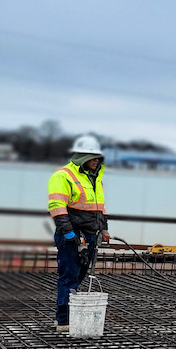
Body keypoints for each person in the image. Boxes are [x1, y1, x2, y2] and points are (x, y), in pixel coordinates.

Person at [47, 135, 110, 334]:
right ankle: (64, 321)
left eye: (98, 157)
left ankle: (67, 317)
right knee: (69, 278)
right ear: (82, 156)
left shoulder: (94, 178)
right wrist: (68, 234)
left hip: (90, 235)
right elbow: (57, 206)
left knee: (79, 276)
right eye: (93, 157)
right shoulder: (63, 176)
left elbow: (99, 207)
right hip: (73, 236)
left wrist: (104, 228)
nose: (97, 161)